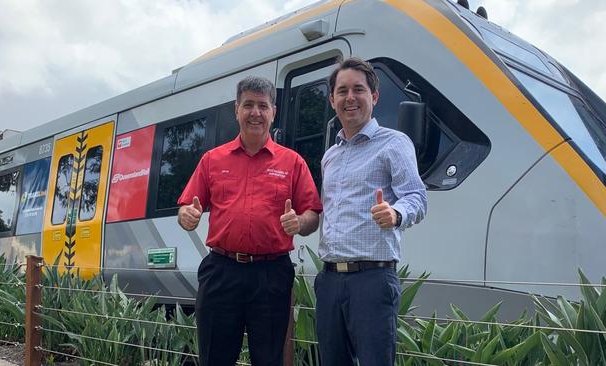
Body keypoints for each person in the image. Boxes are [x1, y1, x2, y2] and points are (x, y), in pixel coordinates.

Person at [177, 76, 322, 366]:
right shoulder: (211, 160)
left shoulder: (293, 162)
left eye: (263, 105)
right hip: (221, 271)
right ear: (237, 110)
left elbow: (313, 215)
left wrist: (300, 222)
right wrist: (187, 216)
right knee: (214, 357)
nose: (255, 112)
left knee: (269, 359)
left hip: (272, 274)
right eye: (248, 105)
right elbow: (185, 208)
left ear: (273, 112)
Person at [316, 57, 427, 365]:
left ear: (374, 97)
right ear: (332, 99)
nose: (349, 98)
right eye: (342, 91)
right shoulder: (330, 157)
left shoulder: (394, 143)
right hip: (329, 281)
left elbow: (417, 196)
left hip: (373, 280)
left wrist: (395, 214)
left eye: (358, 89)